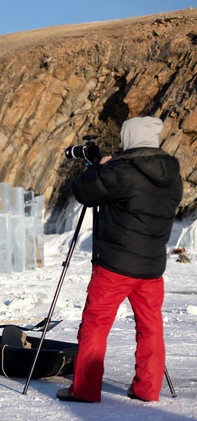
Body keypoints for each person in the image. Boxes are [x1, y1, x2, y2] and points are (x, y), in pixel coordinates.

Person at [57, 117, 183, 403]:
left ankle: (86, 390)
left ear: (130, 139)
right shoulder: (172, 174)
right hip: (152, 267)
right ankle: (147, 389)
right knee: (150, 327)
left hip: (114, 264)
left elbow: (83, 191)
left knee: (95, 324)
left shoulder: (122, 171)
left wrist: (98, 168)